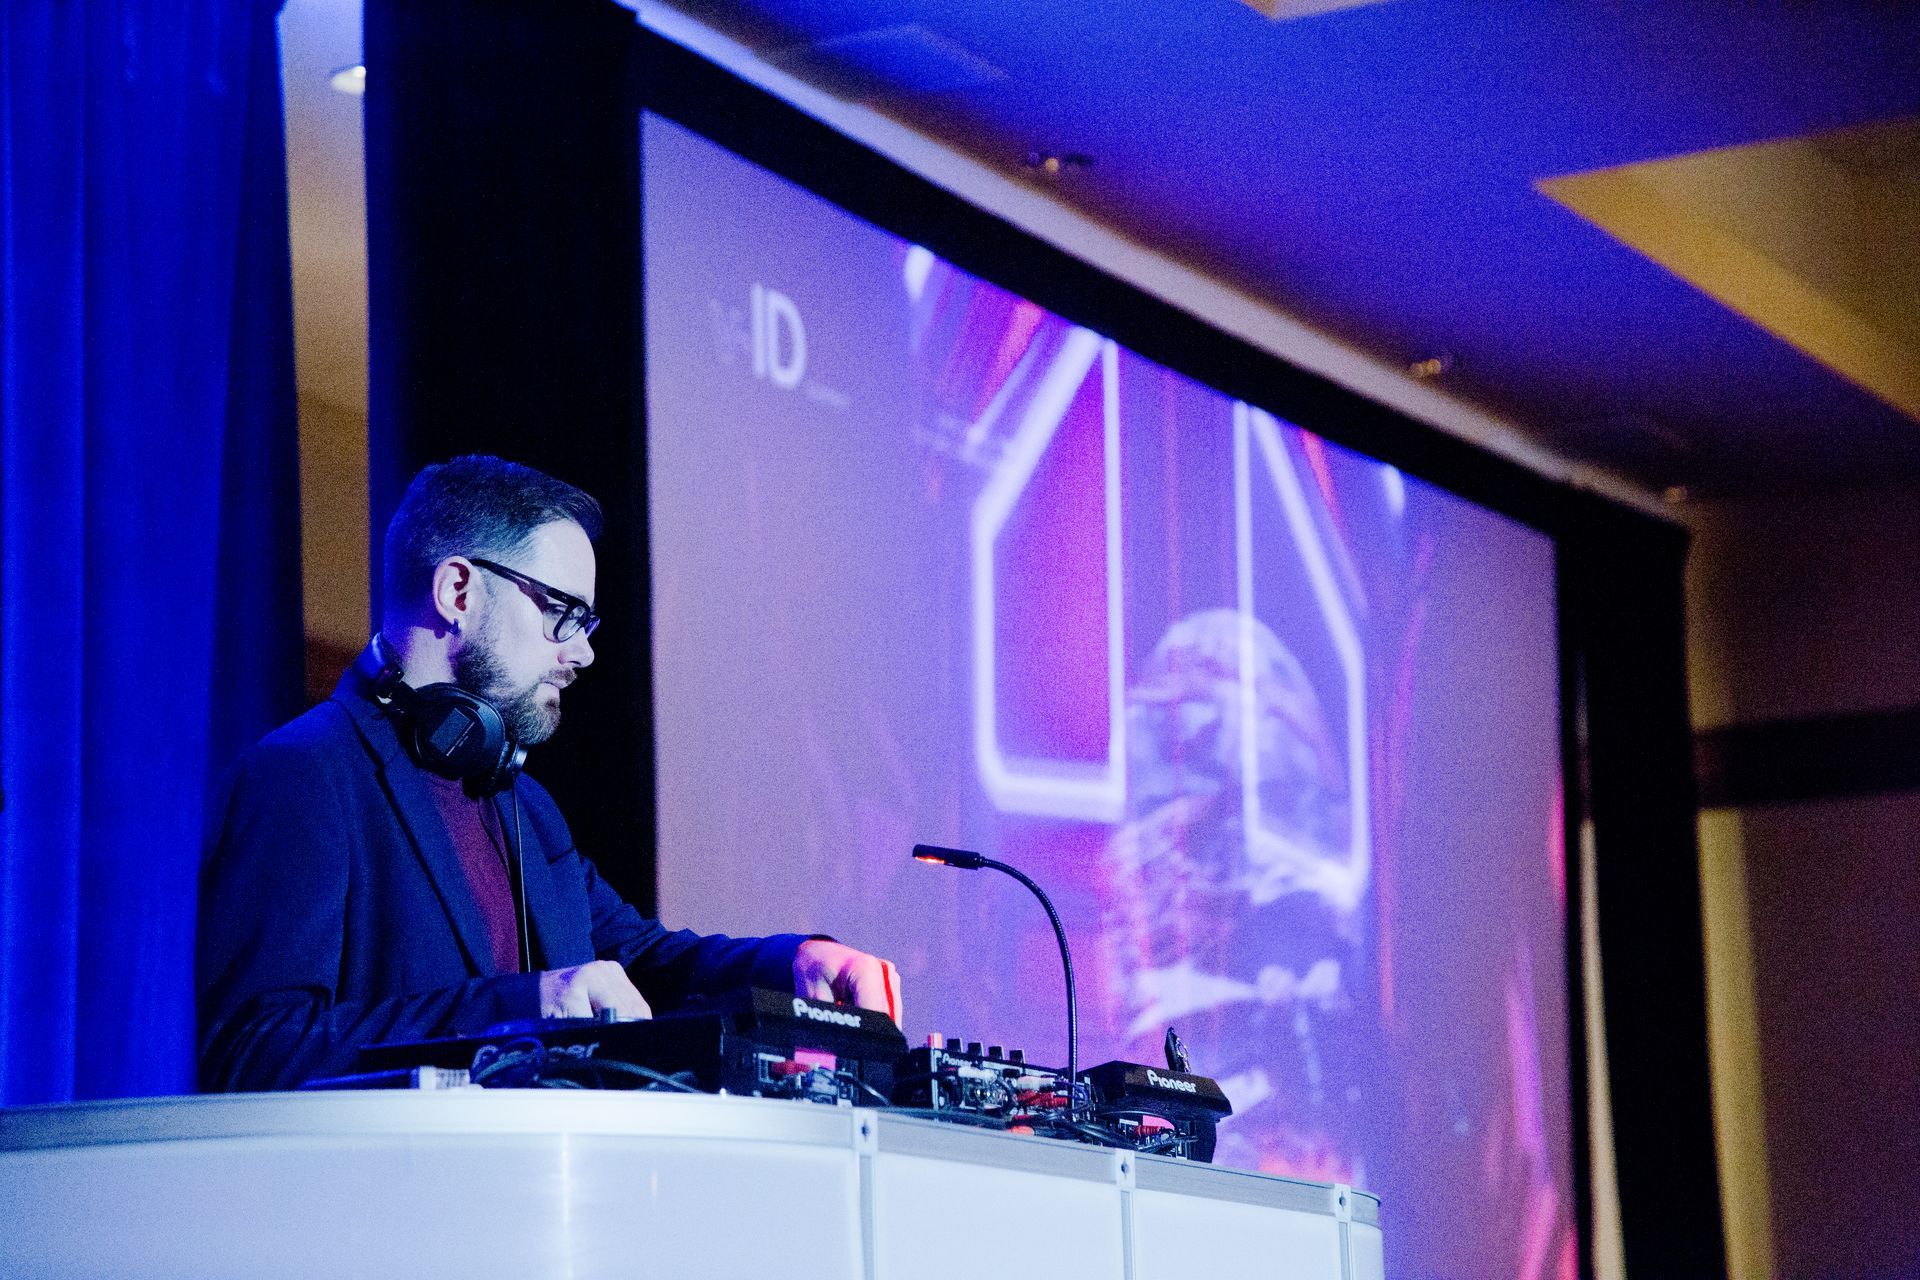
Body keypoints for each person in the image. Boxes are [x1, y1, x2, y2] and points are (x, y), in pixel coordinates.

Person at [197, 455, 899, 1091]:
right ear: (459, 592)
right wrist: (526, 1008)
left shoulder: (522, 806)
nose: (583, 654)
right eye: (563, 614)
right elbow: (254, 1049)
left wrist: (794, 964)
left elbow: (648, 959)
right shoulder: (302, 776)